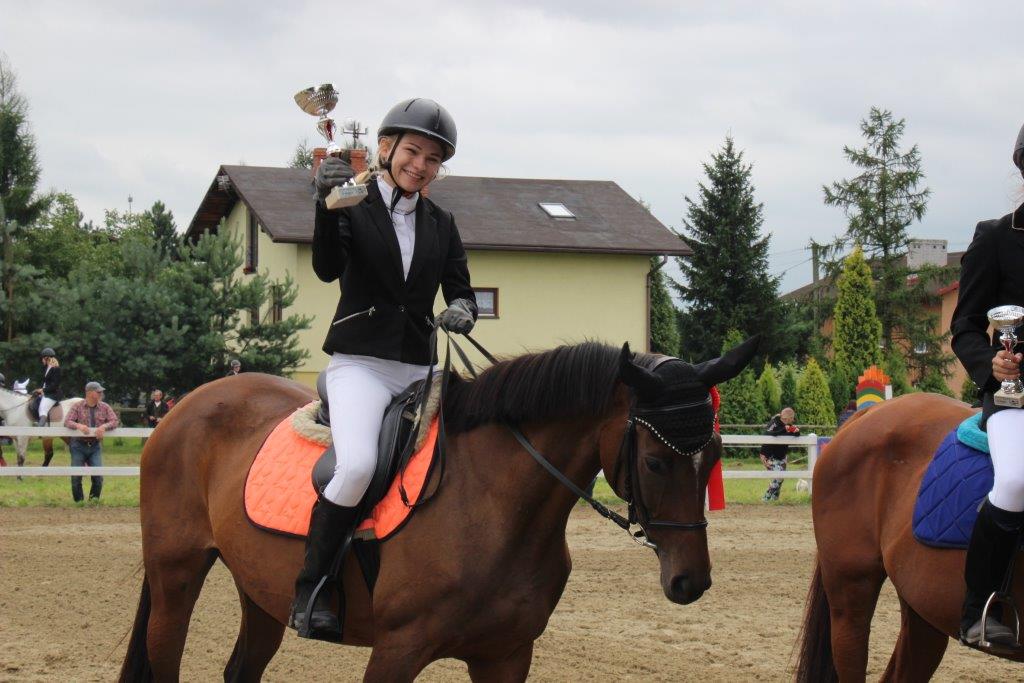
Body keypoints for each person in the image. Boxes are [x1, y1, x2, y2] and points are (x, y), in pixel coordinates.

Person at [290, 97, 477, 640]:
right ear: (387, 148)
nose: (421, 166)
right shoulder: (352, 201)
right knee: (357, 467)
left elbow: (461, 289)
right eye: (413, 152)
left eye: (433, 159)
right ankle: (312, 589)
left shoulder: (442, 223)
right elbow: (327, 268)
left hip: (419, 369)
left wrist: (462, 309)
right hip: (361, 366)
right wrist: (326, 205)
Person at [950, 122, 1024, 650]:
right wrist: (991, 364)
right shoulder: (997, 237)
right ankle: (980, 607)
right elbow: (966, 325)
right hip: (1016, 396)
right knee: (1016, 481)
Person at [63, 381, 119, 503]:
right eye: (98, 392)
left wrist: (104, 426)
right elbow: (67, 421)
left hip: (95, 446)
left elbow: (115, 421)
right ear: (89, 393)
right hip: (78, 445)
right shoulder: (77, 406)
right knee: (76, 476)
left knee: (98, 476)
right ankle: (79, 502)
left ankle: (93, 501)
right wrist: (78, 426)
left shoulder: (105, 407)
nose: (101, 393)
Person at [760, 407, 799, 502]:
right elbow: (768, 434)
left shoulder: (789, 425)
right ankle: (766, 498)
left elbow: (796, 434)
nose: (793, 420)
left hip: (782, 456)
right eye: (792, 418)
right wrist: (784, 429)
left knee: (780, 478)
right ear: (788, 418)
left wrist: (796, 431)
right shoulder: (775, 422)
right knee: (778, 477)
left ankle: (774, 499)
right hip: (769, 455)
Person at [33, 347, 61, 426]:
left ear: (46, 358)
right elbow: (46, 383)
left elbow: (55, 385)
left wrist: (43, 390)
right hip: (46, 393)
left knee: (43, 409)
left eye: (42, 358)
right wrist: (40, 390)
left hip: (52, 395)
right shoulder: (47, 368)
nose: (42, 360)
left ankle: (40, 428)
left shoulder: (56, 369)